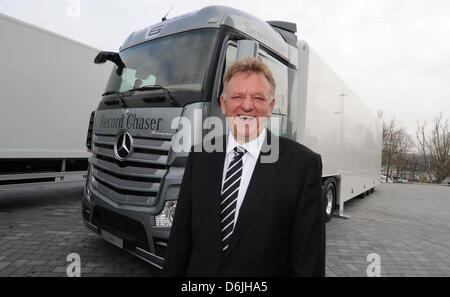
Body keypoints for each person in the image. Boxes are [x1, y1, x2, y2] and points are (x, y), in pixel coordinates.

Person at [161, 57, 325, 277]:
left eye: (258, 97)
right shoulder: (200, 155)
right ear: (224, 104)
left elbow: (308, 262)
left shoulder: (303, 166)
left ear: (271, 106)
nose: (247, 105)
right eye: (237, 96)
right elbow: (180, 240)